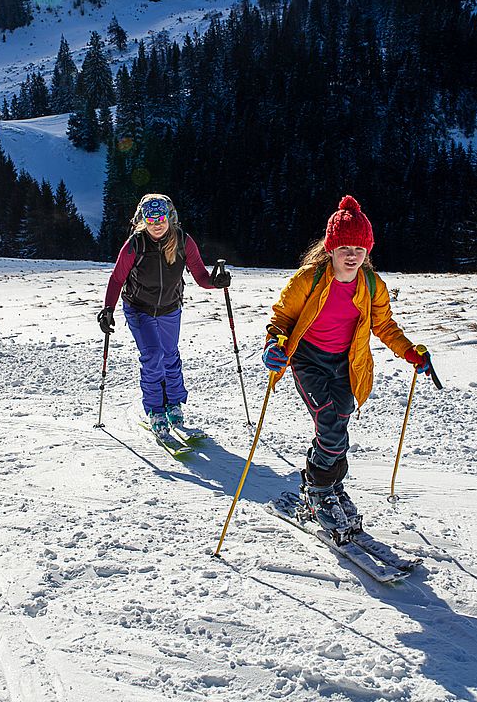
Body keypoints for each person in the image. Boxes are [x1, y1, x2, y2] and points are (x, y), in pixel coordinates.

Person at [262, 195, 433, 537]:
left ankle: (328, 482)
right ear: (331, 249)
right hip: (308, 358)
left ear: (368, 250)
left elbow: (384, 326)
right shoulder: (309, 279)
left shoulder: (372, 285)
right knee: (329, 419)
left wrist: (409, 351)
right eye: (345, 248)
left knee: (340, 419)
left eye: (359, 247)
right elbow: (281, 318)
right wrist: (274, 345)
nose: (352, 255)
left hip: (345, 362)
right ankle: (319, 492)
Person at [98, 194, 230, 446]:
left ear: (170, 218)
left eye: (161, 218)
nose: (156, 224)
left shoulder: (183, 241)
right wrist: (108, 309)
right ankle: (155, 410)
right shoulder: (134, 245)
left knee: (170, 355)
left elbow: (201, 276)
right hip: (139, 309)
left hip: (170, 307)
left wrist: (215, 282)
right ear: (143, 220)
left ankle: (174, 405)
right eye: (150, 219)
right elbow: (116, 279)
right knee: (153, 355)